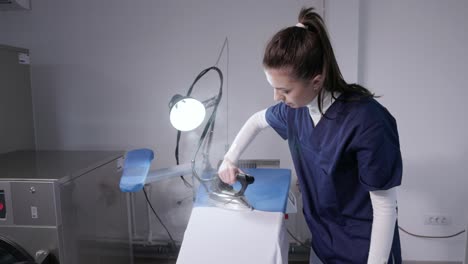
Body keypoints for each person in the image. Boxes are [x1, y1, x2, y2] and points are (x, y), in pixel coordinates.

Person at [217, 7, 403, 264]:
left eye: (284, 90)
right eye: (274, 89)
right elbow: (257, 121)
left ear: (316, 81)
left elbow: (385, 207)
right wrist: (229, 159)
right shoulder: (294, 111)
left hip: (365, 249)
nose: (277, 98)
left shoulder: (367, 121)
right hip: (323, 243)